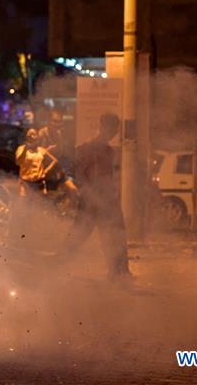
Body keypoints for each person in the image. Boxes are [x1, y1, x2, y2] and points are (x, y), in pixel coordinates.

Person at [61, 113, 132, 281]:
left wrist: (112, 194)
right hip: (91, 199)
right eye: (111, 128)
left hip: (107, 198)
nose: (114, 132)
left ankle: (119, 272)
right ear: (103, 126)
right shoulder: (87, 149)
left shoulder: (109, 151)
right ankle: (59, 264)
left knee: (116, 233)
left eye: (116, 129)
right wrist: (87, 192)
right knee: (80, 233)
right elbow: (79, 173)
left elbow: (110, 175)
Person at [15, 128, 58, 196]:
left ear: (37, 137)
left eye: (34, 134)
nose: (32, 136)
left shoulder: (40, 150)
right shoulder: (21, 148)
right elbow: (18, 162)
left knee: (39, 204)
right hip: (26, 183)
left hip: (39, 183)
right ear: (26, 137)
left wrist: (46, 171)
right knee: (25, 204)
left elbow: (54, 160)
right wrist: (26, 149)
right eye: (30, 135)